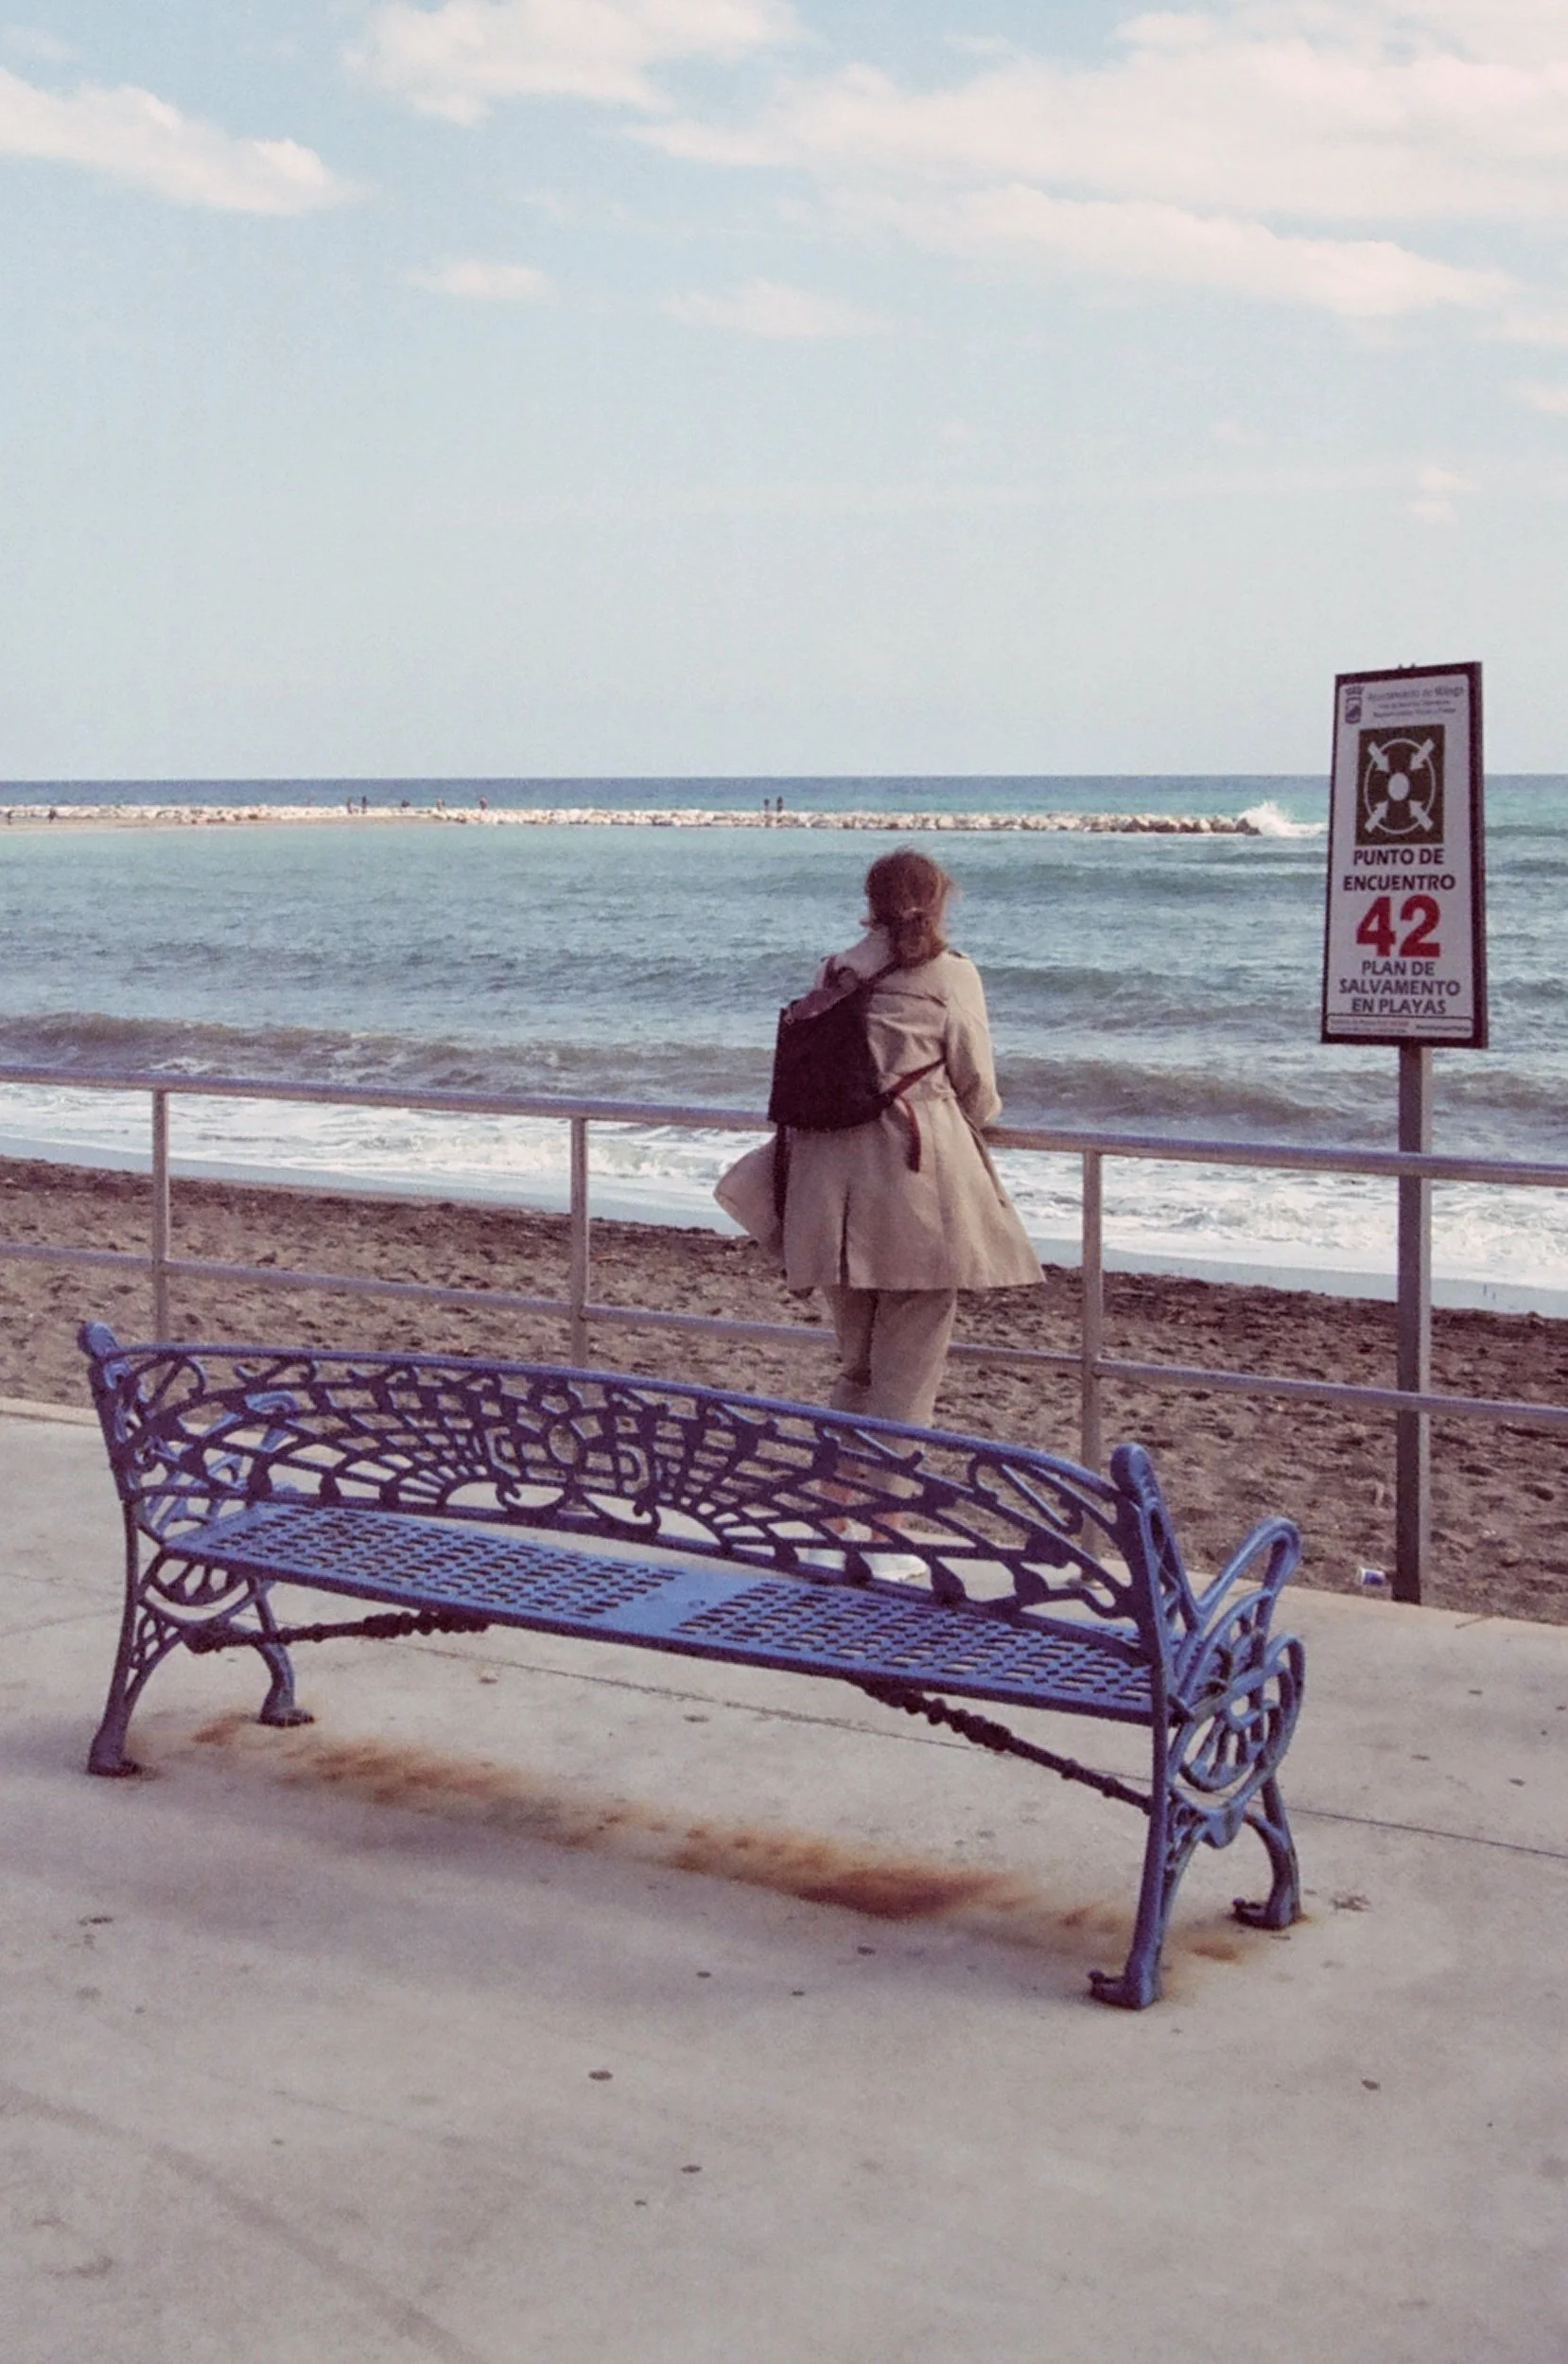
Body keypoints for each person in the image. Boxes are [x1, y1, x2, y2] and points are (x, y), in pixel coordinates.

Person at [718, 847, 1041, 1427]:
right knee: (910, 1367)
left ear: (870, 905)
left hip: (829, 1185)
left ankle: (842, 1503)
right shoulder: (953, 974)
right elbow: (978, 1088)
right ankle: (884, 1511)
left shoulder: (834, 969)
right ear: (939, 900)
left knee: (858, 1364)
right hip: (913, 1181)